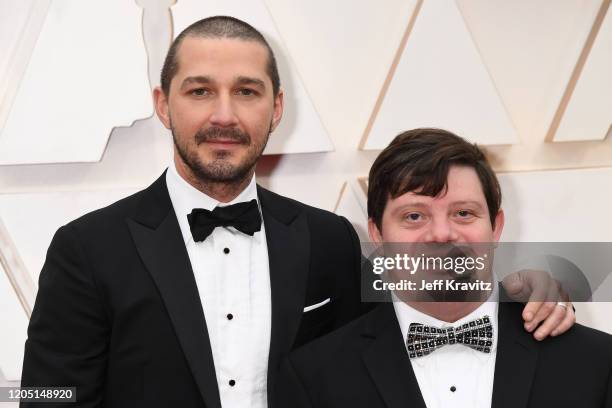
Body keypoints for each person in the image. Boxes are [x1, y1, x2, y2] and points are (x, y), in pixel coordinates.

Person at [20, 16, 574, 408]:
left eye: (247, 91)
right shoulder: (85, 248)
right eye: (198, 91)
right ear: (163, 103)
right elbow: (47, 396)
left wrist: (522, 291)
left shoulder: (328, 238)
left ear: (276, 107)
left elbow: (409, 324)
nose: (224, 115)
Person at [276, 128, 612, 408]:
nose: (441, 234)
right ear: (378, 235)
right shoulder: (314, 377)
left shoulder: (596, 362)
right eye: (414, 216)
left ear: (495, 228)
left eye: (463, 213)